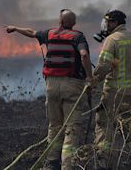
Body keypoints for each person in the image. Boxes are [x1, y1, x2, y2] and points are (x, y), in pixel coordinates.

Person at [5, 9, 93, 170]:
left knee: (54, 126)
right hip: (72, 85)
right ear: (73, 24)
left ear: (59, 22)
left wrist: (15, 28)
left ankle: (51, 163)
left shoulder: (49, 34)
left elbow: (31, 32)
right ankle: (67, 165)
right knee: (72, 127)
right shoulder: (77, 36)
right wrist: (89, 78)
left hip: (51, 86)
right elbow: (84, 55)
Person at [92, 10, 131, 169]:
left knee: (104, 122)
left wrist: (94, 80)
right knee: (127, 121)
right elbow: (125, 58)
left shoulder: (112, 39)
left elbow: (104, 65)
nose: (105, 26)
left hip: (115, 90)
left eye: (107, 23)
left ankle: (104, 160)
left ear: (114, 23)